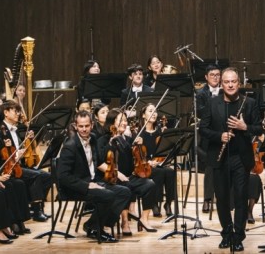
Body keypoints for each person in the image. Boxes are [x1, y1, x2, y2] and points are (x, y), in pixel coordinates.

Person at [199, 67, 262, 252]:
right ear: (221, 83)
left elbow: (259, 128)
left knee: (241, 197)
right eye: (226, 82)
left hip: (241, 158)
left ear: (239, 83)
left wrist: (245, 126)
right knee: (222, 199)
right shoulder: (212, 103)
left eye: (233, 81)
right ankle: (226, 233)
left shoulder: (249, 103)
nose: (230, 84)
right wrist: (220, 136)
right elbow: (203, 129)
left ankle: (238, 235)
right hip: (219, 158)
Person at [57, 110, 131, 243]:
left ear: (92, 125)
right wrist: (87, 185)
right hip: (75, 187)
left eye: (86, 126)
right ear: (76, 126)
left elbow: (99, 161)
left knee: (124, 192)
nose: (84, 129)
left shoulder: (94, 139)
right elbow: (63, 177)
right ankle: (97, 228)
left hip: (93, 182)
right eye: (81, 126)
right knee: (108, 195)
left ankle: (93, 225)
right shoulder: (70, 146)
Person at [96, 108, 157, 234]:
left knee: (150, 184)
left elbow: (136, 161)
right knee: (125, 186)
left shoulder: (128, 140)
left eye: (125, 120)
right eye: (121, 120)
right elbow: (99, 163)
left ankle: (144, 219)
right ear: (112, 123)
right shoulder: (103, 140)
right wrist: (117, 173)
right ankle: (125, 221)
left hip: (129, 177)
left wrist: (139, 146)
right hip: (110, 179)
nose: (125, 123)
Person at [0, 100, 52, 223]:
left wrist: (27, 140)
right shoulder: (0, 131)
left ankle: (35, 204)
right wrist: (15, 156)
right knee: (36, 176)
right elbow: (0, 155)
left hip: (19, 166)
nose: (18, 114)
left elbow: (18, 149)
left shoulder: (16, 130)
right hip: (8, 168)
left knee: (47, 176)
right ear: (6, 112)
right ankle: (36, 211)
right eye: (15, 111)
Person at [0, 111, 32, 236]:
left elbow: (1, 161)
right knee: (8, 186)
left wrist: (9, 151)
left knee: (19, 183)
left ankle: (20, 221)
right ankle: (11, 222)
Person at [138, 103, 176, 218]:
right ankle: (154, 203)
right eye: (150, 111)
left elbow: (164, 152)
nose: (154, 114)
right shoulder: (139, 132)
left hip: (158, 162)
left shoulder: (159, 132)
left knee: (170, 171)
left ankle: (168, 203)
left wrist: (159, 162)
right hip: (144, 165)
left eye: (155, 111)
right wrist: (148, 162)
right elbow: (136, 154)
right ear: (143, 115)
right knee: (158, 172)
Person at [195, 64, 221, 213]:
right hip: (209, 136)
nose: (215, 77)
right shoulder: (201, 94)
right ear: (206, 77)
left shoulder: (226, 90)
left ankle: (226, 198)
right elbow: (201, 113)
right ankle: (207, 199)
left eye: (218, 75)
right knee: (211, 166)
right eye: (212, 75)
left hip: (224, 134)